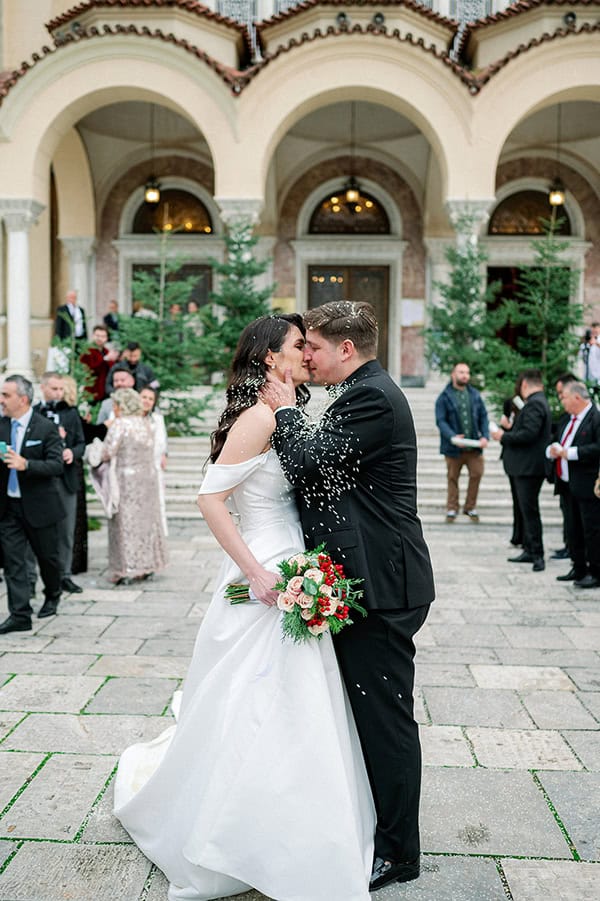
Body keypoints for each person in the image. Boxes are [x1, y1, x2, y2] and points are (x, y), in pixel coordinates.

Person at [113, 314, 375, 901]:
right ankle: (235, 831)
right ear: (269, 359)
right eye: (295, 347)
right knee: (255, 691)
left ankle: (295, 820)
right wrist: (256, 573)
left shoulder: (288, 410)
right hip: (263, 564)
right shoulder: (259, 418)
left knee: (298, 694)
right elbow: (209, 498)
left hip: (296, 558)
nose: (306, 353)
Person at [262, 301, 435, 891]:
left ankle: (399, 852)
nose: (304, 355)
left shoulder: (373, 397)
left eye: (311, 346)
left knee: (385, 719)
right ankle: (376, 827)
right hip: (369, 574)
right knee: (368, 713)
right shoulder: (362, 390)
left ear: (346, 349)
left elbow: (311, 463)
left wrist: (285, 414)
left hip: (384, 585)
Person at [0, 375, 66, 633]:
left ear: (23, 399)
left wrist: (26, 464)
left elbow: (56, 465)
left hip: (41, 508)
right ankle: (20, 615)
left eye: (6, 395)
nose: (1, 400)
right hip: (8, 509)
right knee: (13, 563)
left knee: (48, 559)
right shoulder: (1, 425)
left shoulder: (45, 427)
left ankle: (53, 592)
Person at [98, 388, 168, 585]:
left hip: (125, 481)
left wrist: (94, 452)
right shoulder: (146, 423)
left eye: (116, 404)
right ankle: (147, 565)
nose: (114, 408)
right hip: (148, 479)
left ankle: (125, 568)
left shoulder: (119, 425)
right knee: (146, 523)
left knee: (124, 524)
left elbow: (107, 453)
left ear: (121, 405)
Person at [491, 369, 552, 572]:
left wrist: (503, 436)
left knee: (529, 510)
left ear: (525, 384)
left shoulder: (535, 403)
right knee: (524, 510)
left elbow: (529, 434)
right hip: (524, 466)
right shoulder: (537, 402)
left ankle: (537, 554)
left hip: (528, 468)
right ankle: (528, 548)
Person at [34, 372, 86, 594]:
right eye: (54, 389)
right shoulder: (34, 413)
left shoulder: (71, 413)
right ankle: (35, 578)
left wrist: (71, 452)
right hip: (40, 480)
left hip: (66, 479)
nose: (58, 393)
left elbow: (81, 443)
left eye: (61, 389)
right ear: (43, 388)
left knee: (66, 531)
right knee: (38, 531)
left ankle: (65, 575)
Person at [547, 381, 600, 589]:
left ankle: (595, 571)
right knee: (573, 529)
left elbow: (597, 448)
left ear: (577, 398)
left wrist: (569, 453)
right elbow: (558, 438)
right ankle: (578, 567)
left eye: (565, 397)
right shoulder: (568, 418)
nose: (563, 401)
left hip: (587, 484)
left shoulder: (595, 418)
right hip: (567, 484)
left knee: (591, 530)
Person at [435, 362, 489, 524]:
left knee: (477, 473)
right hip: (453, 447)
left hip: (474, 446)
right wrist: (452, 437)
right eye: (461, 372)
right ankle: (452, 508)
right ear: (453, 374)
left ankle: (470, 507)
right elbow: (441, 421)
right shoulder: (444, 397)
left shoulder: (475, 395)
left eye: (467, 373)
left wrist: (485, 436)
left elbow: (483, 417)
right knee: (453, 477)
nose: (465, 375)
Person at [61, 375, 88, 575]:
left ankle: (73, 564)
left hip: (72, 469)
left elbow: (81, 442)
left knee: (75, 519)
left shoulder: (72, 413)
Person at [549, 373, 577, 561]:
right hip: (564, 475)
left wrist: (568, 452)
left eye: (562, 394)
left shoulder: (587, 416)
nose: (560, 398)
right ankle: (569, 546)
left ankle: (573, 549)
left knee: (576, 518)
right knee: (567, 513)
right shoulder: (567, 416)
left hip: (577, 475)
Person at [140, 385, 168, 536]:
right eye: (144, 397)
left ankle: (157, 534)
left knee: (157, 504)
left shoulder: (158, 419)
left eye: (150, 399)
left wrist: (164, 454)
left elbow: (162, 442)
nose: (147, 401)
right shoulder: (130, 420)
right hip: (136, 470)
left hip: (155, 468)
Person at [80, 324, 120, 403]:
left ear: (106, 338)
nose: (99, 338)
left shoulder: (106, 351)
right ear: (93, 336)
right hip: (92, 389)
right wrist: (105, 359)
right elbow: (90, 369)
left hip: (105, 389)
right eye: (97, 335)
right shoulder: (87, 351)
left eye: (103, 336)